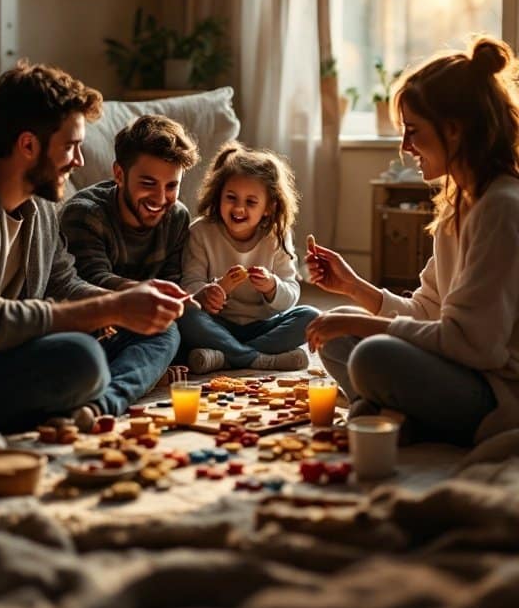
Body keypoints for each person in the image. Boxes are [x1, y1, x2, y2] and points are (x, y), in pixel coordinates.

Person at [0, 61, 189, 433]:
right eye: (71, 147)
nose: (79, 161)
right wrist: (108, 307)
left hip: (11, 350)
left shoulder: (39, 202)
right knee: (80, 359)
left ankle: (94, 407)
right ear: (28, 145)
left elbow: (63, 283)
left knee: (159, 329)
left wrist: (131, 301)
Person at [305, 35, 519, 445]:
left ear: (454, 130)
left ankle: (393, 412)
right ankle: (397, 413)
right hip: (462, 369)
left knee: (371, 354)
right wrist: (352, 288)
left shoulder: (502, 208)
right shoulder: (458, 205)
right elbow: (426, 310)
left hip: (498, 391)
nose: (405, 146)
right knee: (334, 339)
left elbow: (472, 346)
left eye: (414, 131)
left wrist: (359, 322)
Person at [60, 114, 199, 411]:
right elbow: (90, 279)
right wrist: (144, 294)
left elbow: (173, 280)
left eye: (171, 186)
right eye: (148, 183)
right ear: (119, 175)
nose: (160, 198)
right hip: (90, 324)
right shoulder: (85, 213)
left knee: (178, 328)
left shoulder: (177, 217)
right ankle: (141, 372)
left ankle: (103, 404)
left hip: (141, 327)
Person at [179, 142, 320, 374]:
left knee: (311, 317)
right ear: (218, 195)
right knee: (185, 314)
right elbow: (190, 285)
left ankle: (227, 358)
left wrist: (272, 286)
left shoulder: (277, 235)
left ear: (268, 208)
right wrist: (212, 291)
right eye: (231, 198)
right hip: (217, 326)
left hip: (263, 327)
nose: (239, 208)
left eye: (251, 202)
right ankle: (255, 358)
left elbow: (291, 294)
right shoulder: (201, 232)